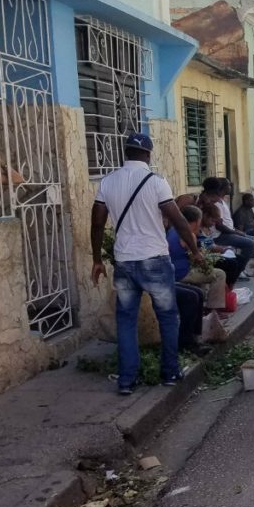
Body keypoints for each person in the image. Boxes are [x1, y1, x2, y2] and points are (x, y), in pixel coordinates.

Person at [91, 133, 203, 395]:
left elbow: (97, 223)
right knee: (167, 317)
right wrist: (195, 250)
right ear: (149, 155)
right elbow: (178, 220)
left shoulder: (107, 182)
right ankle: (170, 372)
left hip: (125, 262)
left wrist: (97, 259)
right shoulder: (156, 182)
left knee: (126, 320)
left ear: (125, 152)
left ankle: (127, 380)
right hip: (155, 260)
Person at [169, 205, 227, 309]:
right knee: (219, 274)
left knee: (202, 273)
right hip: (182, 273)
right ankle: (214, 308)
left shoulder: (172, 230)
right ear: (196, 221)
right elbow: (197, 259)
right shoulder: (189, 235)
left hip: (172, 271)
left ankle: (201, 303)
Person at [199, 178, 254, 273]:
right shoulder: (215, 202)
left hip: (227, 232)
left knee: (252, 239)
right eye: (229, 185)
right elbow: (219, 226)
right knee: (249, 243)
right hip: (220, 235)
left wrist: (237, 231)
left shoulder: (221, 201)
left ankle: (239, 268)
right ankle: (238, 270)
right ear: (223, 188)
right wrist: (235, 232)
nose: (231, 187)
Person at [198, 203, 244, 285]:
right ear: (205, 216)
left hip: (213, 254)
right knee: (231, 263)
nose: (213, 224)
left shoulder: (208, 229)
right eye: (212, 221)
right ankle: (226, 287)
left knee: (240, 259)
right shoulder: (198, 229)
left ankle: (229, 286)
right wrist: (224, 249)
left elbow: (213, 245)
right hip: (205, 257)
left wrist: (225, 248)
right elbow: (208, 246)